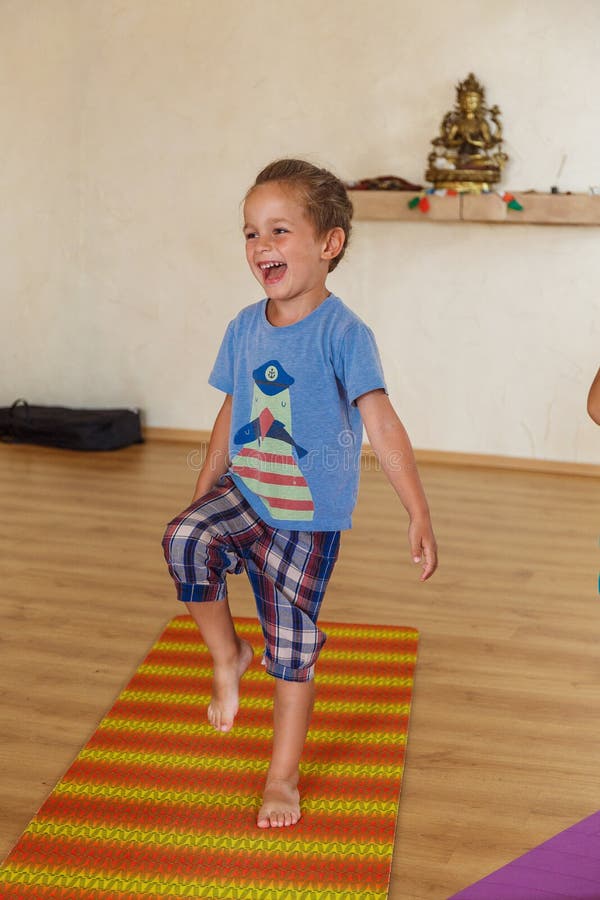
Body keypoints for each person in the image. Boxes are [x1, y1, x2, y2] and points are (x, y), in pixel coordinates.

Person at [162, 158, 438, 830]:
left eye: (279, 231)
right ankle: (229, 655)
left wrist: (418, 508)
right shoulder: (244, 327)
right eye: (251, 234)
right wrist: (203, 489)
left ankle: (281, 777)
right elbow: (233, 410)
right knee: (183, 538)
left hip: (306, 524)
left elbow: (381, 422)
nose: (261, 247)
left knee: (292, 653)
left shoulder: (346, 334)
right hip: (246, 492)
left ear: (329, 243)